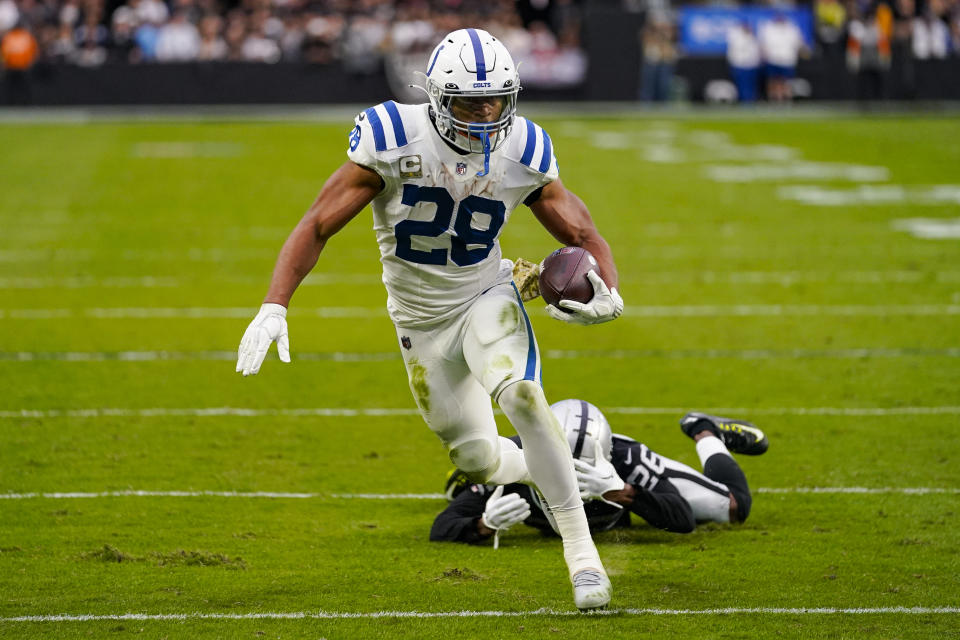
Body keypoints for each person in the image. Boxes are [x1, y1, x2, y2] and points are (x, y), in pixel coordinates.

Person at [235, 28, 624, 611]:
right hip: (418, 318)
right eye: (470, 101)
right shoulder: (394, 136)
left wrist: (609, 290)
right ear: (438, 97)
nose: (485, 112)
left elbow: (581, 231)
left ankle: (582, 554)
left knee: (521, 397)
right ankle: (568, 469)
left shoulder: (523, 146)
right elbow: (318, 222)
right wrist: (274, 304)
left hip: (486, 294)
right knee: (478, 459)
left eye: (495, 99)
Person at [432, 401, 768, 545]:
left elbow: (682, 519)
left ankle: (704, 429)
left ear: (605, 455)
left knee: (734, 506)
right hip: (507, 456)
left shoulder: (627, 459)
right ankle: (468, 473)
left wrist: (625, 491)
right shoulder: (518, 462)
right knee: (473, 472)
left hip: (625, 486)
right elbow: (442, 527)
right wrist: (483, 525)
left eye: (583, 464)